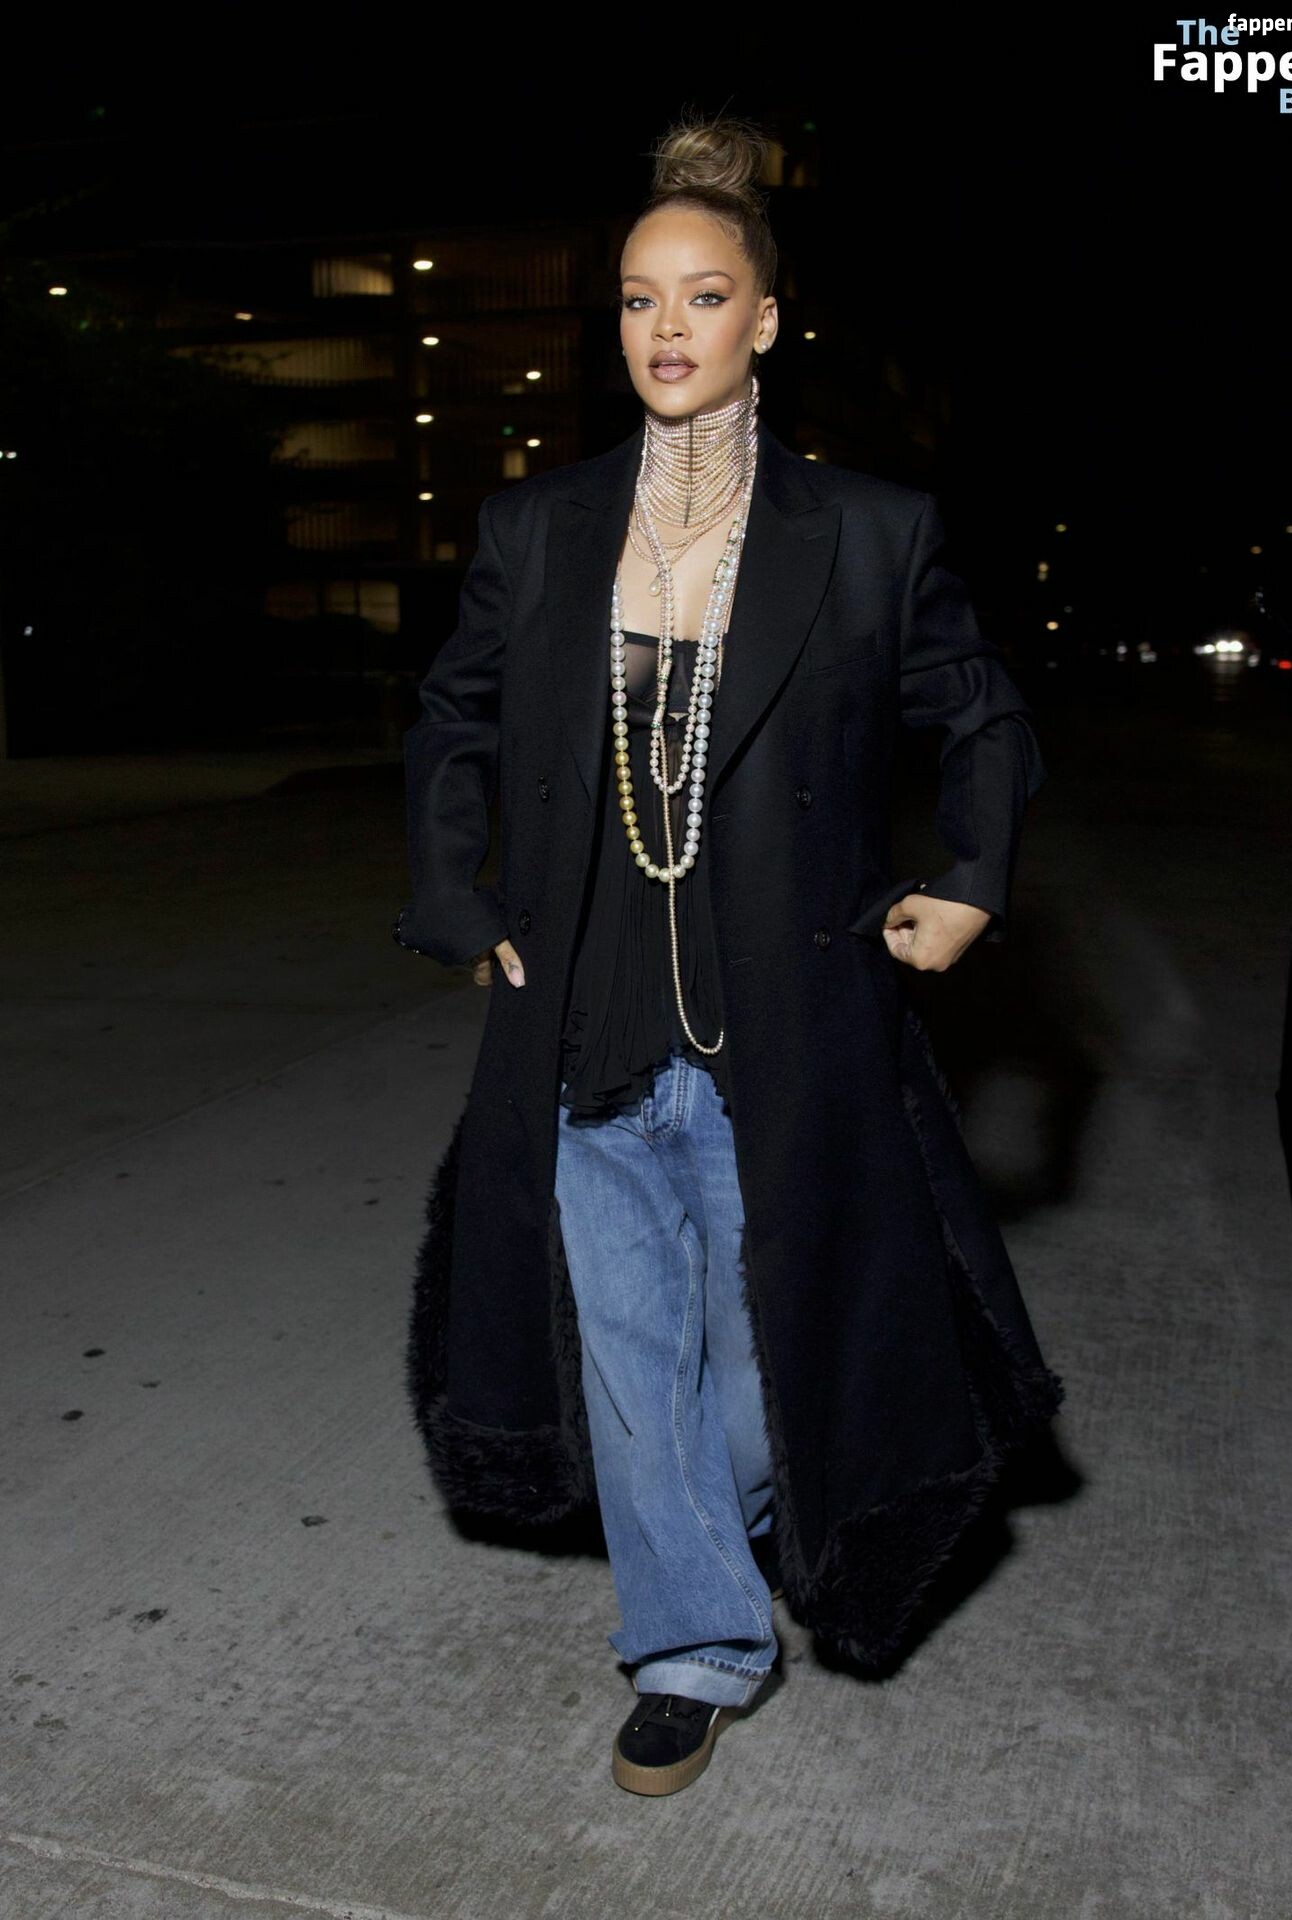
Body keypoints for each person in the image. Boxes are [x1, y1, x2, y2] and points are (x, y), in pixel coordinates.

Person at [395, 110, 1064, 1799]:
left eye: (702, 296)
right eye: (637, 299)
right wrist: (458, 899)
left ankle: (714, 1516)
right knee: (629, 1365)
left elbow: (982, 718)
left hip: (786, 1025)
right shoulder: (542, 528)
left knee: (771, 1372)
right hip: (581, 1025)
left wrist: (970, 879)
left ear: (765, 318)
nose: (666, 328)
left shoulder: (868, 531)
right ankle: (691, 1644)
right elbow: (452, 719)